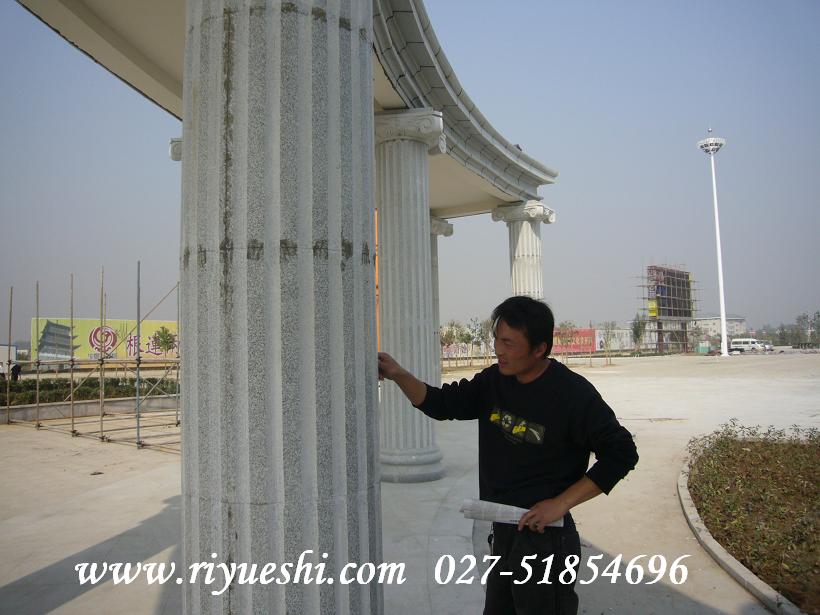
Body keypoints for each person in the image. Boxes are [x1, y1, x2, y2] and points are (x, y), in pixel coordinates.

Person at [378, 296, 638, 615]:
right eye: (497, 340)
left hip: (545, 542)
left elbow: (622, 453)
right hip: (504, 532)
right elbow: (441, 403)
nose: (498, 350)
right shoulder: (494, 382)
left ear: (539, 348)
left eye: (508, 343)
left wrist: (560, 504)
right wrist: (397, 373)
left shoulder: (572, 394)